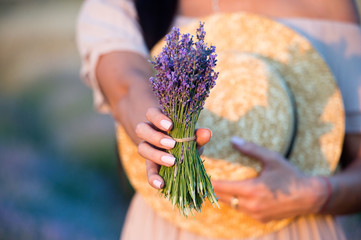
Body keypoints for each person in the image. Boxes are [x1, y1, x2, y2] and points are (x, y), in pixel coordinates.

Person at [76, 0, 361, 239]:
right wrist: (162, 132)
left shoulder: (328, 6)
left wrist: (317, 194)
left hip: (296, 226)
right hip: (169, 225)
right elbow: (127, 85)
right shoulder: (132, 5)